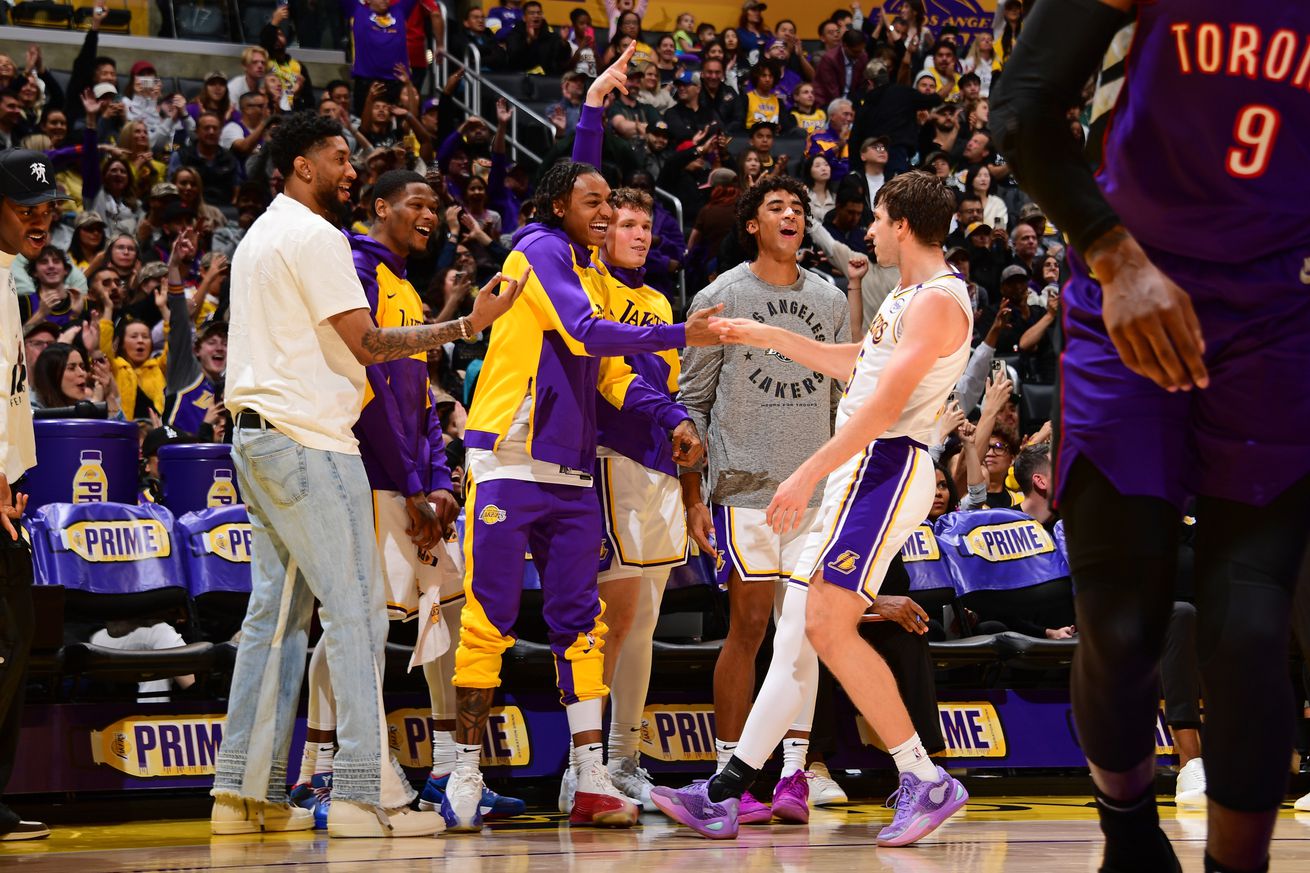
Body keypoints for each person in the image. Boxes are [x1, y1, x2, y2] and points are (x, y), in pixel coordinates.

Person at [994, 3, 1310, 872]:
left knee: (1251, 631)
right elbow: (1020, 104)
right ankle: (1129, 834)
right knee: (1121, 626)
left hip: (1280, 317)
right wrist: (1113, 256)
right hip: (1128, 289)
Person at [210, 110, 526, 839]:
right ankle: (360, 794)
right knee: (353, 613)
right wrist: (465, 325)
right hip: (310, 442)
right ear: (299, 166)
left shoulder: (260, 233)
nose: (350, 169)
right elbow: (372, 343)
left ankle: (241, 793)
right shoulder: (316, 236)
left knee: (275, 621)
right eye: (337, 156)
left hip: (258, 440)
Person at [438, 45, 723, 834]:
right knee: (488, 618)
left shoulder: (589, 267)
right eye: (593, 204)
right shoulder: (536, 251)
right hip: (507, 458)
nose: (604, 212)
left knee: (580, 623)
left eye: (615, 206)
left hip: (568, 471)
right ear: (561, 205)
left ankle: (590, 774)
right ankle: (463, 770)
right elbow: (590, 330)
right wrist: (681, 328)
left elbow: (611, 375)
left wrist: (671, 417)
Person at [653, 171, 970, 846]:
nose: (871, 233)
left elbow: (884, 408)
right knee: (800, 627)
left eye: (879, 222)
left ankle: (923, 774)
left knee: (823, 624)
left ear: (904, 226)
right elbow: (858, 363)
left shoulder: (939, 301)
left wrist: (805, 472)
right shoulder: (909, 298)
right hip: (864, 468)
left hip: (882, 467)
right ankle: (723, 790)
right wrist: (760, 334)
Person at [290, 170, 527, 826]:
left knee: (449, 615)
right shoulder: (354, 270)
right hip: (362, 472)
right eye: (417, 203)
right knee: (356, 621)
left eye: (437, 204)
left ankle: (451, 771)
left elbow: (418, 398)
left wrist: (434, 484)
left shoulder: (402, 286)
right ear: (378, 207)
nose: (432, 214)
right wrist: (406, 482)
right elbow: (364, 391)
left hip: (407, 481)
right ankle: (320, 773)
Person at [671, 173, 849, 827]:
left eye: (799, 207)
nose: (791, 214)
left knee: (801, 636)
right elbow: (692, 400)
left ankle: (794, 774)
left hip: (814, 487)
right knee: (747, 629)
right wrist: (693, 493)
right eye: (776, 206)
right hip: (744, 485)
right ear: (751, 223)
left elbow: (842, 399)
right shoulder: (721, 296)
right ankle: (730, 773)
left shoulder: (830, 300)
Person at [559, 84, 704, 811]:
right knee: (609, 619)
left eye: (646, 223)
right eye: (623, 222)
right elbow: (575, 186)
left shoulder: (659, 302)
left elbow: (670, 403)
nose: (639, 232)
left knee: (644, 617)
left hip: (654, 471)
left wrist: (688, 484)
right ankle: (584, 763)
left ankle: (625, 758)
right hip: (604, 463)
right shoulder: (587, 282)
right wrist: (591, 109)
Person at [0, 148, 65, 842]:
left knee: (13, 645)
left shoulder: (9, 280)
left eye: (46, 208)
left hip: (6, 491)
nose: (38, 219)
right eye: (26, 206)